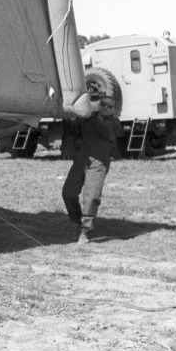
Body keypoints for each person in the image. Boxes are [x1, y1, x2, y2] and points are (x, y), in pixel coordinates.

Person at [61, 96, 121, 244]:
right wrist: (66, 114)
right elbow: (72, 129)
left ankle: (85, 230)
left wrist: (87, 114)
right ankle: (77, 221)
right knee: (68, 192)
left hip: (99, 164)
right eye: (104, 104)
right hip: (81, 160)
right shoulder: (87, 118)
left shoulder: (114, 123)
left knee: (92, 197)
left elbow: (104, 131)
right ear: (99, 105)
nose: (106, 108)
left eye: (110, 106)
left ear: (114, 109)